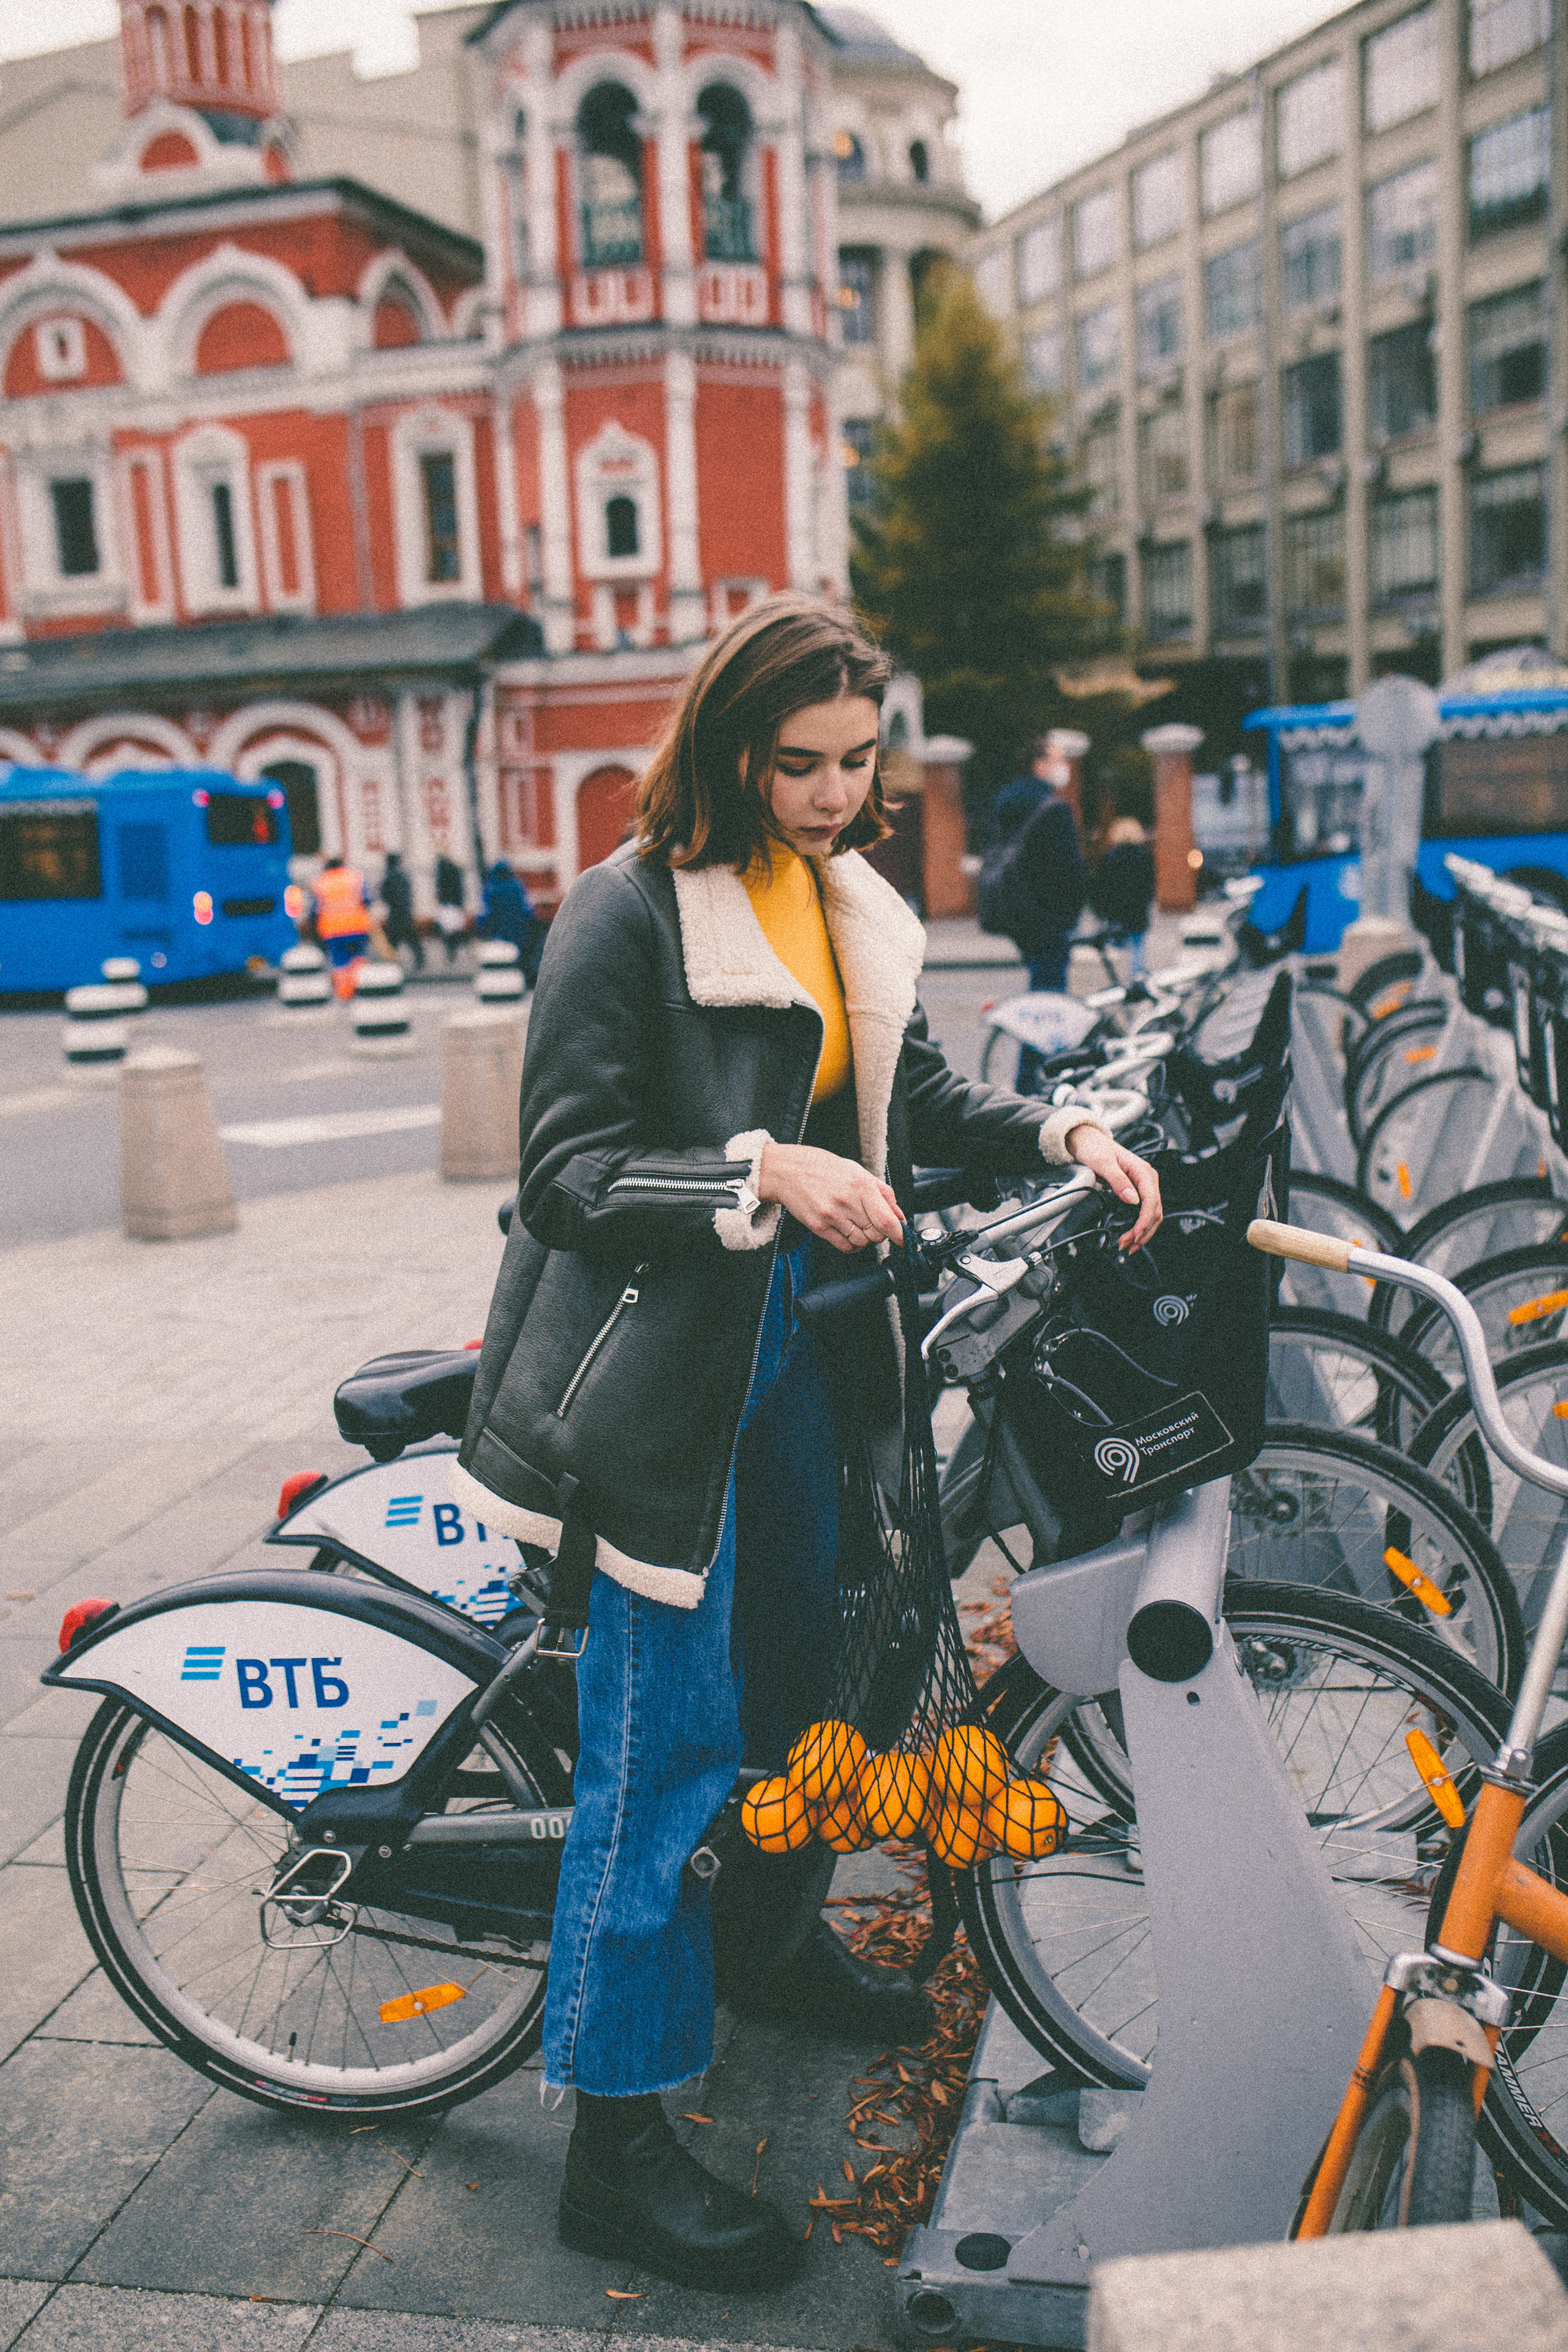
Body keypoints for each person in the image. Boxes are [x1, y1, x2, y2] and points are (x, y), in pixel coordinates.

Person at [450, 594, 1161, 2296]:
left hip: (809, 1360)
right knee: (667, 1753)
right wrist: (758, 1170)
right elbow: (564, 1176)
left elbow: (905, 1098)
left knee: (804, 1691)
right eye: (800, 765)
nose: (838, 796)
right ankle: (615, 2144)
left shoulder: (841, 902)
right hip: (664, 1390)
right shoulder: (625, 911)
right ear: (727, 746)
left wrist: (1060, 1123)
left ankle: (761, 1953)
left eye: (859, 762)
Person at [990, 742, 1088, 1088]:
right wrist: (1075, 911)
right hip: (1049, 921)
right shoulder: (1053, 809)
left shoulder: (1006, 804)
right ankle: (1034, 1084)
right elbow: (1071, 871)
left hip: (1019, 916)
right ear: (1039, 764)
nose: (1064, 765)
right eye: (1058, 759)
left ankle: (1038, 1079)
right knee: (1049, 1007)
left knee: (1042, 995)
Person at [1091, 813, 1157, 978]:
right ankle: (1137, 979)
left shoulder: (1109, 857)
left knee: (1117, 946)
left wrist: (1102, 911)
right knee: (1137, 946)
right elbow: (1150, 884)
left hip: (1117, 910)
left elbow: (1101, 886)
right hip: (1137, 909)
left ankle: (1118, 983)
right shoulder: (1144, 856)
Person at [311, 855, 371, 1000]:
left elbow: (314, 910)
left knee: (340, 962)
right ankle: (362, 988)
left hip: (332, 931)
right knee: (358, 959)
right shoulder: (356, 877)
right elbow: (368, 900)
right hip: (357, 928)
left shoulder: (320, 882)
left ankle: (345, 993)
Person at [480, 858, 543, 984]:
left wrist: (481, 929)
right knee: (521, 958)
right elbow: (528, 910)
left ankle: (500, 984)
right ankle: (522, 981)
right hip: (519, 931)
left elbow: (484, 913)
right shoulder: (518, 886)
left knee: (501, 959)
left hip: (498, 932)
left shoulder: (490, 887)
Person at [378, 850, 424, 971]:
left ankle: (390, 963)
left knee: (393, 939)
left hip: (395, 913)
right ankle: (420, 960)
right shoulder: (404, 875)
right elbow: (409, 893)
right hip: (406, 912)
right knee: (411, 938)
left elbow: (384, 895)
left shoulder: (388, 876)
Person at [434, 853, 468, 962]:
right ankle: (456, 947)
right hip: (455, 903)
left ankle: (451, 950)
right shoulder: (455, 870)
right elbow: (460, 888)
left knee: (447, 929)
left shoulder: (441, 872)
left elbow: (439, 889)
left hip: (446, 903)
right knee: (454, 928)